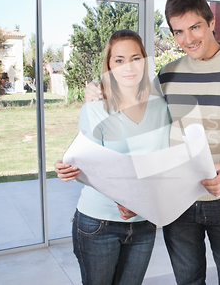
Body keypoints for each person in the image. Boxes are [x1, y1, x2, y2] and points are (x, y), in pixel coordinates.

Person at [84, 0, 220, 285]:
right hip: (178, 202)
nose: (188, 39)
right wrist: (99, 91)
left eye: (195, 27)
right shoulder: (167, 75)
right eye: (178, 31)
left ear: (211, 22)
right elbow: (135, 109)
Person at [54, 29, 170, 285]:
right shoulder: (94, 108)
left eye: (135, 58)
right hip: (98, 223)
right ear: (108, 65)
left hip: (144, 223)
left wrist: (140, 201)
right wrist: (69, 169)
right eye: (119, 60)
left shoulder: (160, 107)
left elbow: (161, 162)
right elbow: (90, 168)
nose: (128, 67)